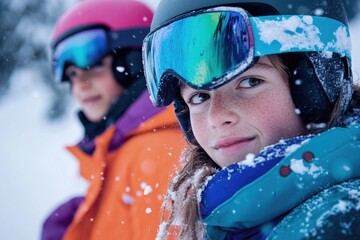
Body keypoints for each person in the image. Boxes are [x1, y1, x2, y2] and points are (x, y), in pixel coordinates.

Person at [142, 0, 360, 239]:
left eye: (249, 82)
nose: (217, 117)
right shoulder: (226, 220)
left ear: (316, 88)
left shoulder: (339, 220)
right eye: (199, 96)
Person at [41, 0, 186, 239]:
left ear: (133, 65)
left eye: (93, 67)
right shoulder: (119, 151)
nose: (80, 86)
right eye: (72, 76)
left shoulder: (155, 152)